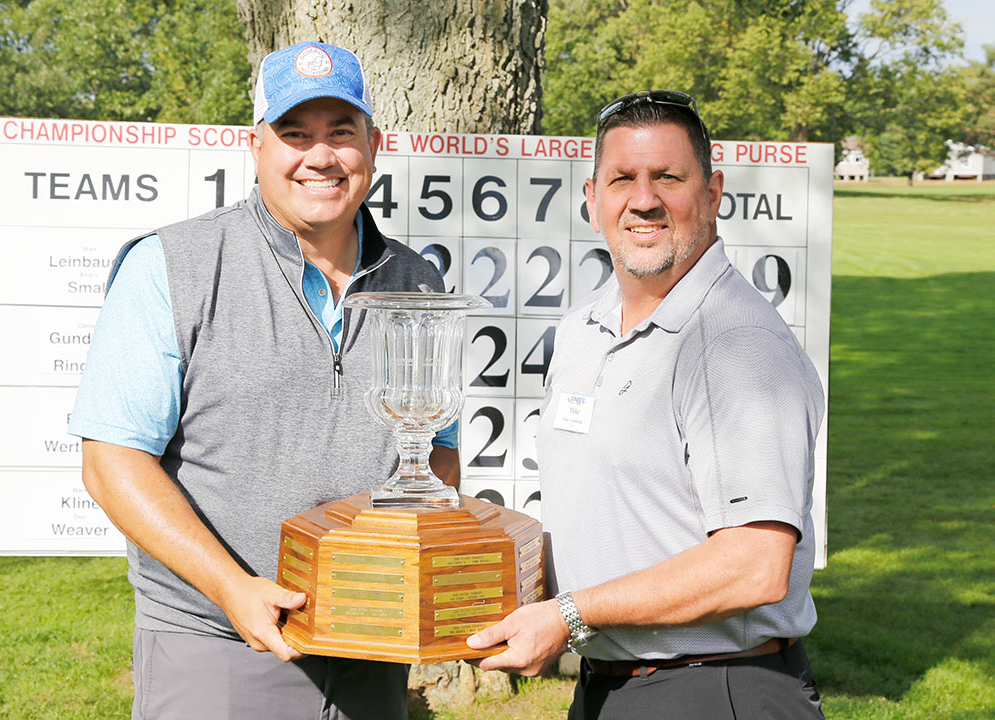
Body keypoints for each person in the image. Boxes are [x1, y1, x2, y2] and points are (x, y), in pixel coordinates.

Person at [68, 41, 458, 720]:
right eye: (294, 134)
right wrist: (232, 588)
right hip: (217, 649)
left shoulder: (416, 282)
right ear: (256, 146)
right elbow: (111, 463)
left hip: (370, 655)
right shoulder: (172, 265)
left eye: (342, 132)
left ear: (375, 144)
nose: (320, 156)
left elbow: (437, 450)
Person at [465, 90, 826, 719]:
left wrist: (569, 614)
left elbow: (755, 565)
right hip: (611, 685)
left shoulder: (735, 343)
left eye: (668, 177)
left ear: (713, 193)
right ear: (592, 198)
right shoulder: (583, 330)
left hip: (717, 690)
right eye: (622, 179)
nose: (643, 199)